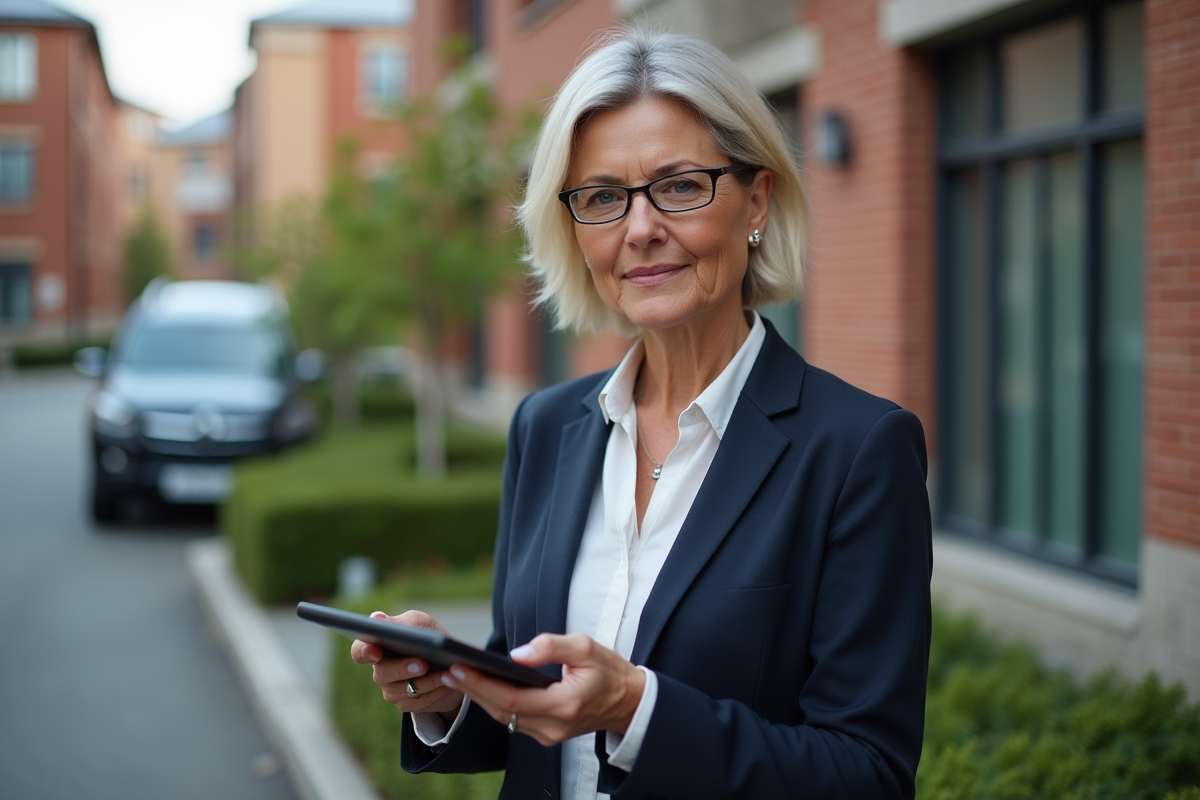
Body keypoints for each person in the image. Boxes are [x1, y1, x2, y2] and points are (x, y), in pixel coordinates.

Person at [350, 28, 932, 800]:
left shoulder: (858, 451)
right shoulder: (544, 427)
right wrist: (453, 689)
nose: (640, 228)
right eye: (602, 198)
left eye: (681, 185)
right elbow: (533, 697)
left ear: (756, 199)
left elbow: (868, 776)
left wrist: (636, 708)